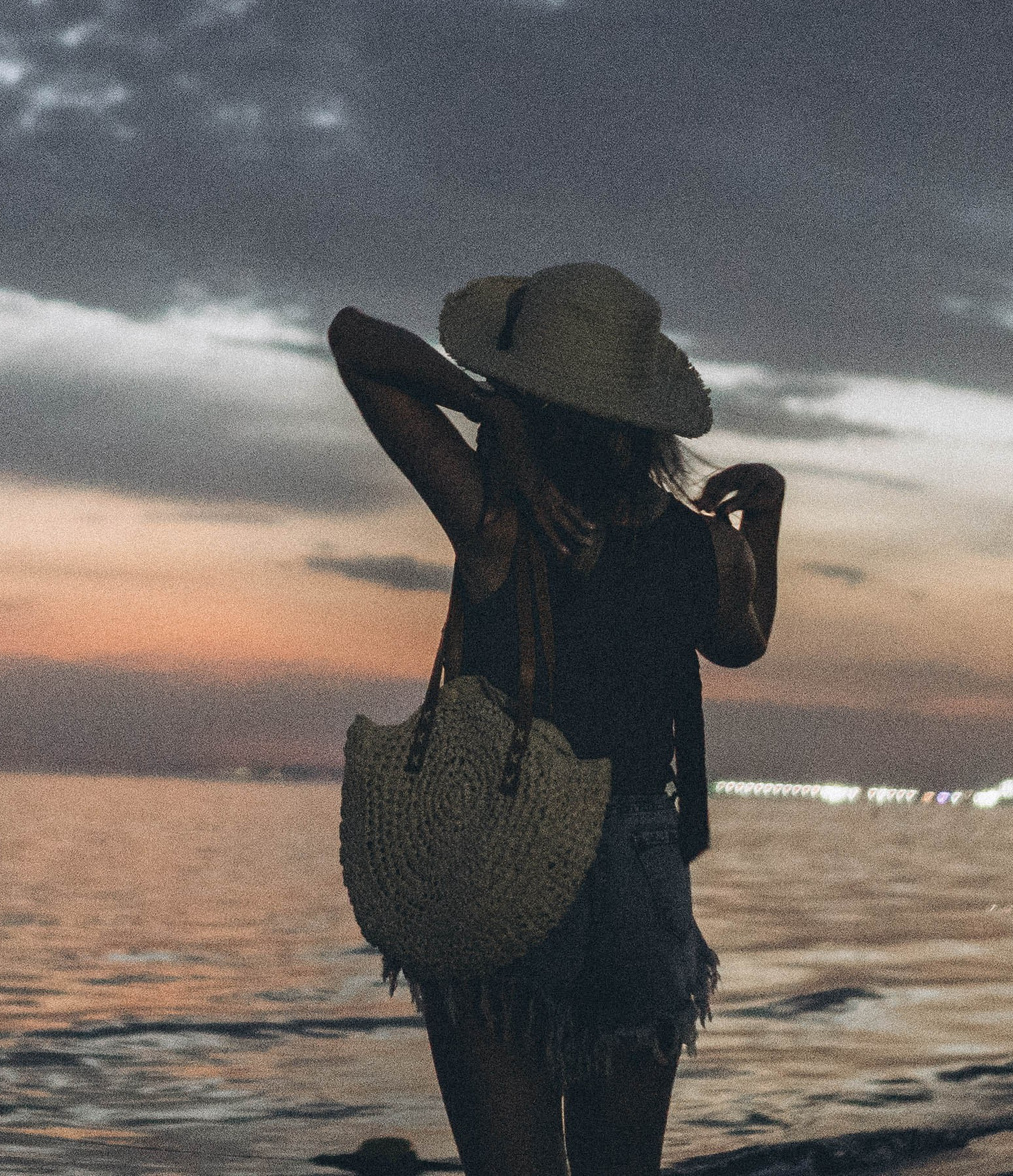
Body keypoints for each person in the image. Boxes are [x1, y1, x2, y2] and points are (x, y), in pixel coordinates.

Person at [329, 261, 783, 1176]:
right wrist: (765, 518)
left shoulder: (498, 514)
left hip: (508, 845)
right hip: (644, 865)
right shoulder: (707, 544)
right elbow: (744, 639)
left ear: (527, 398)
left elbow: (355, 341)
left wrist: (483, 410)